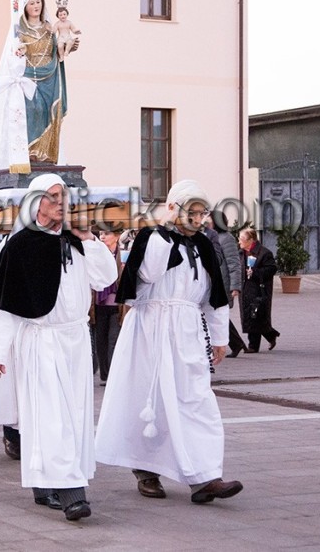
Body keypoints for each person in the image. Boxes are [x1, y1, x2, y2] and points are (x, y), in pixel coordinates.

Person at [96, 180, 243, 505]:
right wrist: (165, 230)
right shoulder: (153, 238)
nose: (198, 217)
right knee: (149, 400)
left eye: (202, 212)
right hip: (151, 329)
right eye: (191, 210)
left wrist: (219, 338)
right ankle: (145, 470)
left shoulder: (204, 245)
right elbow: (146, 274)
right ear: (175, 209)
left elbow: (214, 296)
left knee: (196, 399)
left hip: (188, 332)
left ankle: (206, 476)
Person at [0, 174, 117, 521]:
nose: (61, 202)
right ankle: (73, 492)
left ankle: (46, 484)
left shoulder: (76, 242)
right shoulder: (21, 245)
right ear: (36, 203)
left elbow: (105, 279)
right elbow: (6, 303)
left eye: (64, 196)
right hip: (41, 341)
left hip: (75, 340)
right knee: (51, 416)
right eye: (53, 196)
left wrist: (89, 238)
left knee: (72, 417)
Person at [17, 0, 68, 164]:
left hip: (50, 74)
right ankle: (31, 150)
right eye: (31, 3)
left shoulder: (49, 28)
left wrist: (69, 46)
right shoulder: (20, 30)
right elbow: (16, 51)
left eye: (38, 2)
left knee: (50, 112)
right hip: (29, 76)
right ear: (25, 7)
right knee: (34, 109)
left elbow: (58, 48)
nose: (35, 6)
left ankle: (46, 154)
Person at [204, 212, 248, 357]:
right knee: (217, 315)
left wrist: (235, 287)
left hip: (223, 284)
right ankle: (236, 344)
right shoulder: (209, 236)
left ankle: (232, 344)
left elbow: (233, 263)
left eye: (208, 220)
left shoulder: (226, 238)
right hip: (212, 283)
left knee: (217, 315)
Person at [91, 227, 124, 385]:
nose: (103, 237)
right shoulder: (97, 255)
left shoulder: (122, 255)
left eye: (107, 233)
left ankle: (112, 375)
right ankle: (104, 375)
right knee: (100, 342)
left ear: (117, 236)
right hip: (98, 304)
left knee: (113, 340)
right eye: (101, 234)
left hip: (117, 305)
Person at [239, 227, 279, 353]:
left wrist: (255, 273)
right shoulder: (240, 252)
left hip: (258, 290)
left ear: (251, 240)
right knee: (251, 316)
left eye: (242, 239)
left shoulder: (264, 253)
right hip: (245, 289)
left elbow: (271, 269)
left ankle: (253, 346)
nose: (239, 241)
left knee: (254, 315)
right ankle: (270, 334)